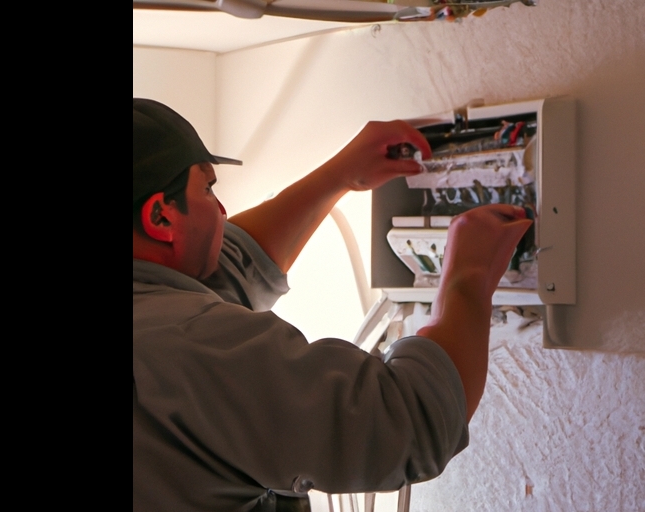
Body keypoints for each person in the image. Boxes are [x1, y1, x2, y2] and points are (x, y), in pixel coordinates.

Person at [133, 98, 532, 512]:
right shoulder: (194, 344)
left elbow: (228, 268)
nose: (221, 210)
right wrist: (468, 278)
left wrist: (339, 175)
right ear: (160, 217)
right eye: (207, 188)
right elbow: (413, 421)